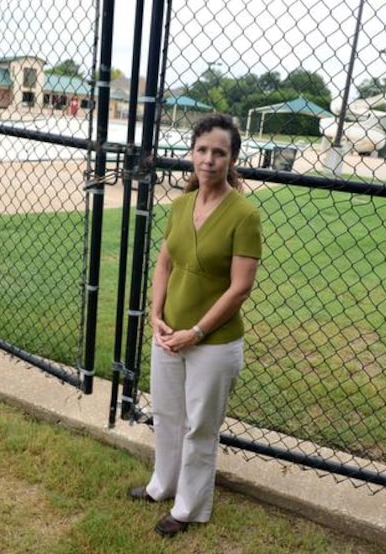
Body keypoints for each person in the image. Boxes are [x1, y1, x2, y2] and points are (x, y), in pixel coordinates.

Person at [128, 113, 262, 537]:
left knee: (199, 427)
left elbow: (240, 288)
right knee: (167, 416)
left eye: (218, 152)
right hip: (169, 335)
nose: (208, 159)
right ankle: (162, 485)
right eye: (202, 150)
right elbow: (165, 263)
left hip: (213, 343)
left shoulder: (244, 215)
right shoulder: (182, 204)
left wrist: (197, 332)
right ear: (191, 153)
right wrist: (156, 316)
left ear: (232, 158)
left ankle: (188, 508)